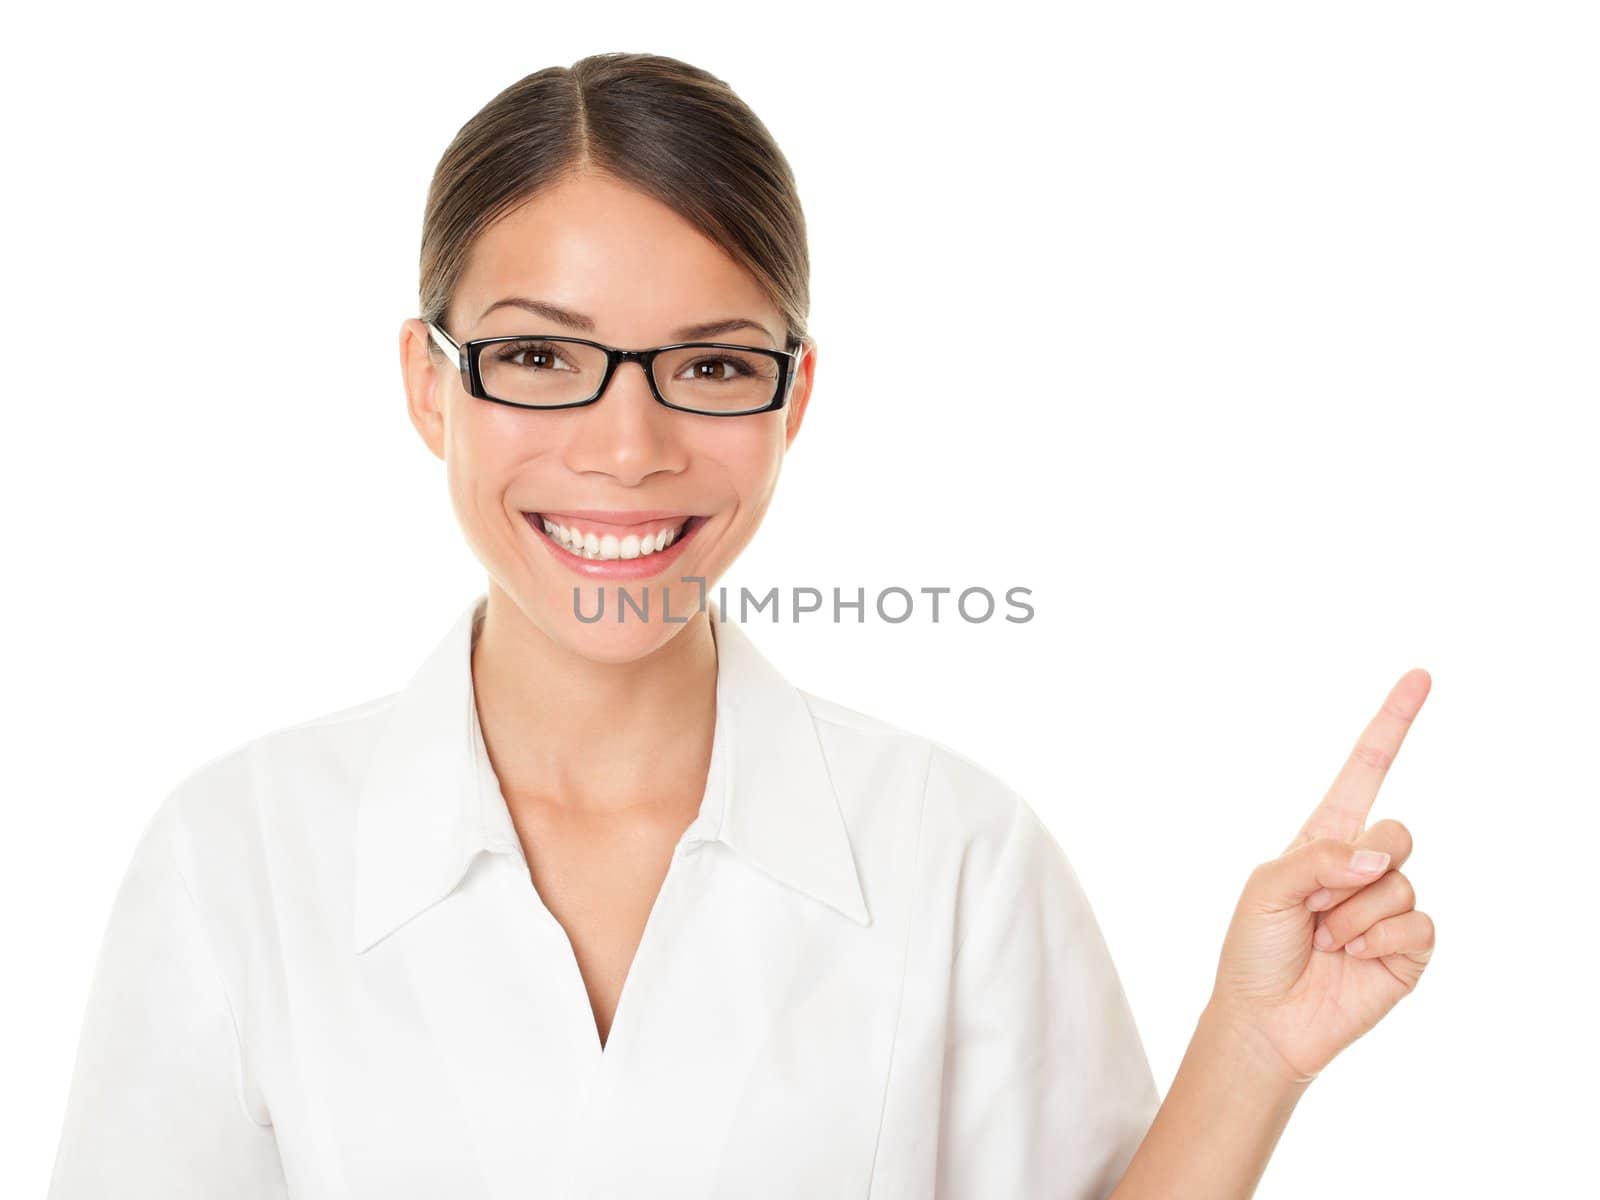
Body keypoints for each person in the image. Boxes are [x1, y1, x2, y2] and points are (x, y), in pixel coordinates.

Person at [47, 53, 1436, 1199]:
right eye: (542, 355)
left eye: (713, 365)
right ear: (429, 384)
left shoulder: (957, 854)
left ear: (794, 398)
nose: (628, 445)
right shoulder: (237, 857)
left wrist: (1254, 1049)